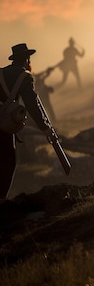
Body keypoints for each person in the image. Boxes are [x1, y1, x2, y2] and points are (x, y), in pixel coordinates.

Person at [1, 43, 54, 199]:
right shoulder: (25, 76)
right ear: (27, 60)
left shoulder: (2, 72)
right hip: (3, 125)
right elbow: (32, 104)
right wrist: (44, 127)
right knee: (8, 161)